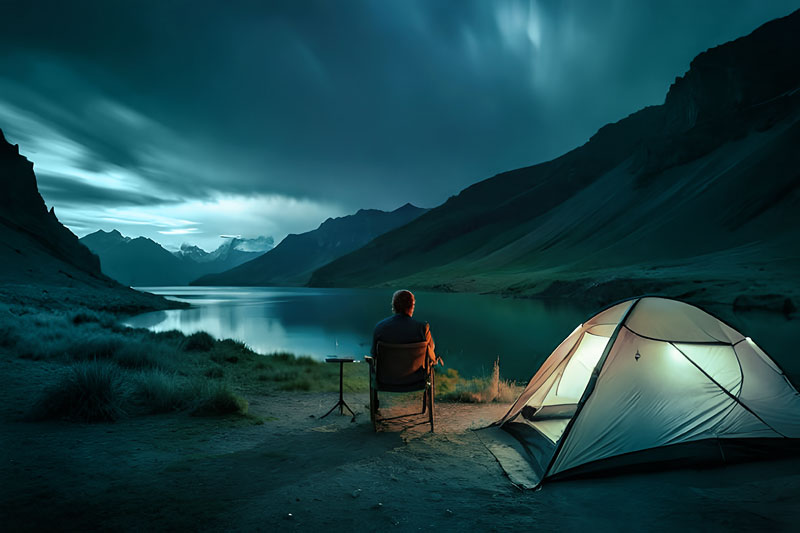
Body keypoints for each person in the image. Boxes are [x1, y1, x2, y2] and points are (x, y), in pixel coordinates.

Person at [371, 289, 437, 367]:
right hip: (416, 378)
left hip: (386, 378)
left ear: (394, 305)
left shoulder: (380, 327)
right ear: (412, 306)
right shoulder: (422, 329)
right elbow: (431, 355)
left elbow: (374, 355)